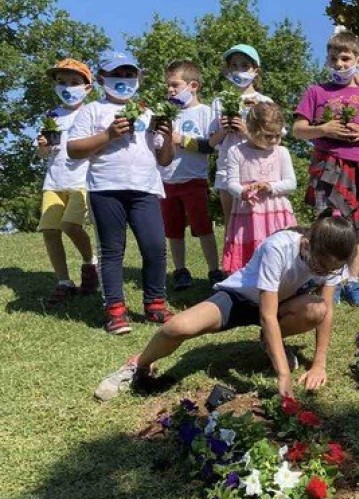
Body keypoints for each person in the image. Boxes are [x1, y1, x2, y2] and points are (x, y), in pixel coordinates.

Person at [93, 209, 357, 402]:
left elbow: (328, 310)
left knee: (317, 309)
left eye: (332, 269)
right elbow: (266, 315)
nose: (323, 272)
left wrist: (319, 363)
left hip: (281, 304)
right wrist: (283, 375)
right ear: (308, 245)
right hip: (238, 299)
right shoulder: (279, 247)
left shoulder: (331, 260)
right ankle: (138, 365)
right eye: (320, 266)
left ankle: (270, 343)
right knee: (177, 327)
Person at [67, 51, 176, 334]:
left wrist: (168, 132)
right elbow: (73, 149)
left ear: (138, 78)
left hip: (145, 188)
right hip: (105, 188)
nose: (124, 80)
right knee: (112, 251)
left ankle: (155, 305)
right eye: (117, 74)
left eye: (130, 74)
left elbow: (164, 158)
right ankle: (115, 310)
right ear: (102, 78)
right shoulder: (92, 110)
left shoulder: (147, 112)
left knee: (154, 246)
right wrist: (109, 135)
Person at [295, 29, 359, 308]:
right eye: (333, 59)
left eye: (345, 59)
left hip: (358, 168)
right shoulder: (315, 91)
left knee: (357, 229)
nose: (340, 64)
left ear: (358, 59)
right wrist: (324, 128)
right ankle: (321, 278)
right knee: (325, 224)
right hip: (326, 165)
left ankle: (352, 282)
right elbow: (298, 130)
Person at [36, 59, 98, 308]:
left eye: (74, 82)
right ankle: (64, 282)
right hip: (54, 182)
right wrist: (43, 147)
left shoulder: (92, 112)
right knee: (50, 231)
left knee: (71, 226)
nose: (68, 87)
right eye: (62, 82)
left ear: (87, 88)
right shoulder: (51, 115)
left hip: (81, 180)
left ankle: (90, 261)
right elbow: (42, 153)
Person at [160, 60, 223, 291]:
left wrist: (182, 140)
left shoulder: (206, 113)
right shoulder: (166, 113)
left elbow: (212, 146)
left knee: (203, 227)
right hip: (166, 180)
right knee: (173, 230)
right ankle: (180, 271)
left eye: (175, 85)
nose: (170, 90)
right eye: (168, 86)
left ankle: (214, 270)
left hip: (194, 181)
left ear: (193, 85)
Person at [221, 103, 298, 272]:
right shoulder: (236, 151)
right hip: (248, 213)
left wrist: (270, 186)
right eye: (267, 136)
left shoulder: (281, 152)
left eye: (277, 136)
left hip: (277, 212)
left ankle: (282, 286)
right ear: (251, 129)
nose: (273, 140)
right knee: (250, 252)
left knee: (279, 250)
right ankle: (245, 285)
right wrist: (242, 192)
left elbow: (291, 183)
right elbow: (231, 183)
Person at [209, 44, 274, 234]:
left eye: (245, 65)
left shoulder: (265, 102)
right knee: (232, 227)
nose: (239, 70)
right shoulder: (219, 101)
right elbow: (212, 142)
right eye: (234, 65)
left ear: (256, 70)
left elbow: (273, 142)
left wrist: (246, 131)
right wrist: (224, 129)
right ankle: (232, 264)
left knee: (258, 225)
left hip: (257, 169)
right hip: (227, 169)